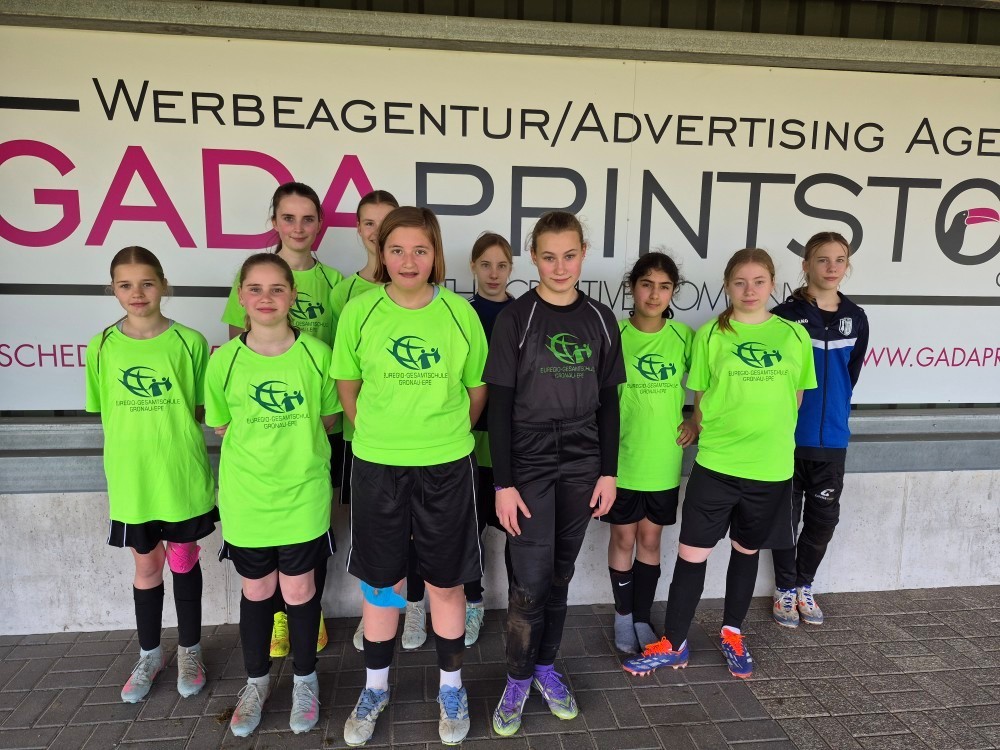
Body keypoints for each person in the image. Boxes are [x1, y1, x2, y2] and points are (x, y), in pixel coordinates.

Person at [332, 207, 488, 747]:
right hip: (378, 464)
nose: (408, 260)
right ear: (381, 253)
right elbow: (348, 386)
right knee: (383, 585)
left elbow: (476, 390)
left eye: (420, 250)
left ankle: (451, 688)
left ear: (435, 254)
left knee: (445, 583)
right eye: (396, 249)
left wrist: (441, 437)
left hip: (447, 465)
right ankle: (374, 688)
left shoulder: (459, 314)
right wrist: (381, 435)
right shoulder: (360, 311)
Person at [622, 248, 816, 680]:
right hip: (716, 465)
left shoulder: (793, 335)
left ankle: (732, 633)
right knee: (692, 554)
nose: (749, 290)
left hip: (769, 469)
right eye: (740, 282)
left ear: (773, 284)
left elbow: (797, 397)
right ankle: (674, 643)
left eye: (759, 281)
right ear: (727, 285)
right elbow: (700, 397)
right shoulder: (710, 334)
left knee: (746, 552)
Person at [485, 211, 626, 736]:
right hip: (529, 455)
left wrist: (608, 473)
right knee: (529, 581)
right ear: (534, 258)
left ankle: (545, 668)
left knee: (560, 575)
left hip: (583, 457)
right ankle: (517, 679)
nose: (560, 267)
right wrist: (503, 483)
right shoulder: (516, 318)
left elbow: (610, 402)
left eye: (569, 255)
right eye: (549, 257)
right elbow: (499, 406)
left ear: (583, 253)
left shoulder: (602, 319)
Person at [206, 253, 340, 737]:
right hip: (247, 497)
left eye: (277, 288)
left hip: (303, 494)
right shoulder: (223, 361)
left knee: (300, 591)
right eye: (255, 289)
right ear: (241, 297)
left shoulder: (317, 355)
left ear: (293, 296)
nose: (266, 298)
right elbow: (221, 424)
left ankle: (305, 681)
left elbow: (329, 419)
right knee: (258, 591)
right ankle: (257, 683)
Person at [85, 246, 217, 704]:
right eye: (125, 285)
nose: (137, 293)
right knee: (146, 565)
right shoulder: (101, 345)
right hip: (132, 480)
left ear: (163, 284)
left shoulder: (190, 342)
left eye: (146, 283)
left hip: (179, 474)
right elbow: (104, 410)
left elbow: (201, 408)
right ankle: (149, 655)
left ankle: (190, 651)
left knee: (183, 560)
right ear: (113, 289)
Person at [220, 182, 344, 659]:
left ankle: (309, 617)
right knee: (265, 573)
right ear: (274, 221)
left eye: (307, 218)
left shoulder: (334, 283)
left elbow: (340, 365)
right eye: (288, 217)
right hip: (260, 456)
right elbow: (236, 355)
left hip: (310, 436)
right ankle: (277, 621)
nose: (297, 227)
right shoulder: (249, 283)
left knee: (309, 546)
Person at [765, 232, 869, 627]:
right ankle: (784, 589)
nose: (831, 267)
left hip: (832, 441)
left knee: (823, 522)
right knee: (784, 521)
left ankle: (804, 584)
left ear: (847, 265)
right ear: (806, 264)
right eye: (822, 259)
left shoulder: (856, 318)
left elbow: (849, 375)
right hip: (788, 438)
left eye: (839, 260)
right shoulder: (783, 317)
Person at [326, 189, 406, 653]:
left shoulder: (422, 287)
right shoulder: (345, 293)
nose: (377, 232)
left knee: (417, 531)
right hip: (364, 441)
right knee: (373, 533)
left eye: (386, 222)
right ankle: (375, 611)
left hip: (417, 446)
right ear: (359, 229)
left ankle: (414, 606)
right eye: (369, 223)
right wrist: (362, 427)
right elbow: (344, 373)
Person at [603, 252, 695, 654]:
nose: (654, 294)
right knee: (623, 537)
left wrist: (696, 421)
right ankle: (623, 616)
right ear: (632, 287)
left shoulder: (684, 337)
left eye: (664, 287)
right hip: (623, 459)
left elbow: (707, 383)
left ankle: (642, 616)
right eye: (646, 285)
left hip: (663, 459)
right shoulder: (614, 334)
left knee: (651, 539)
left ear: (673, 291)